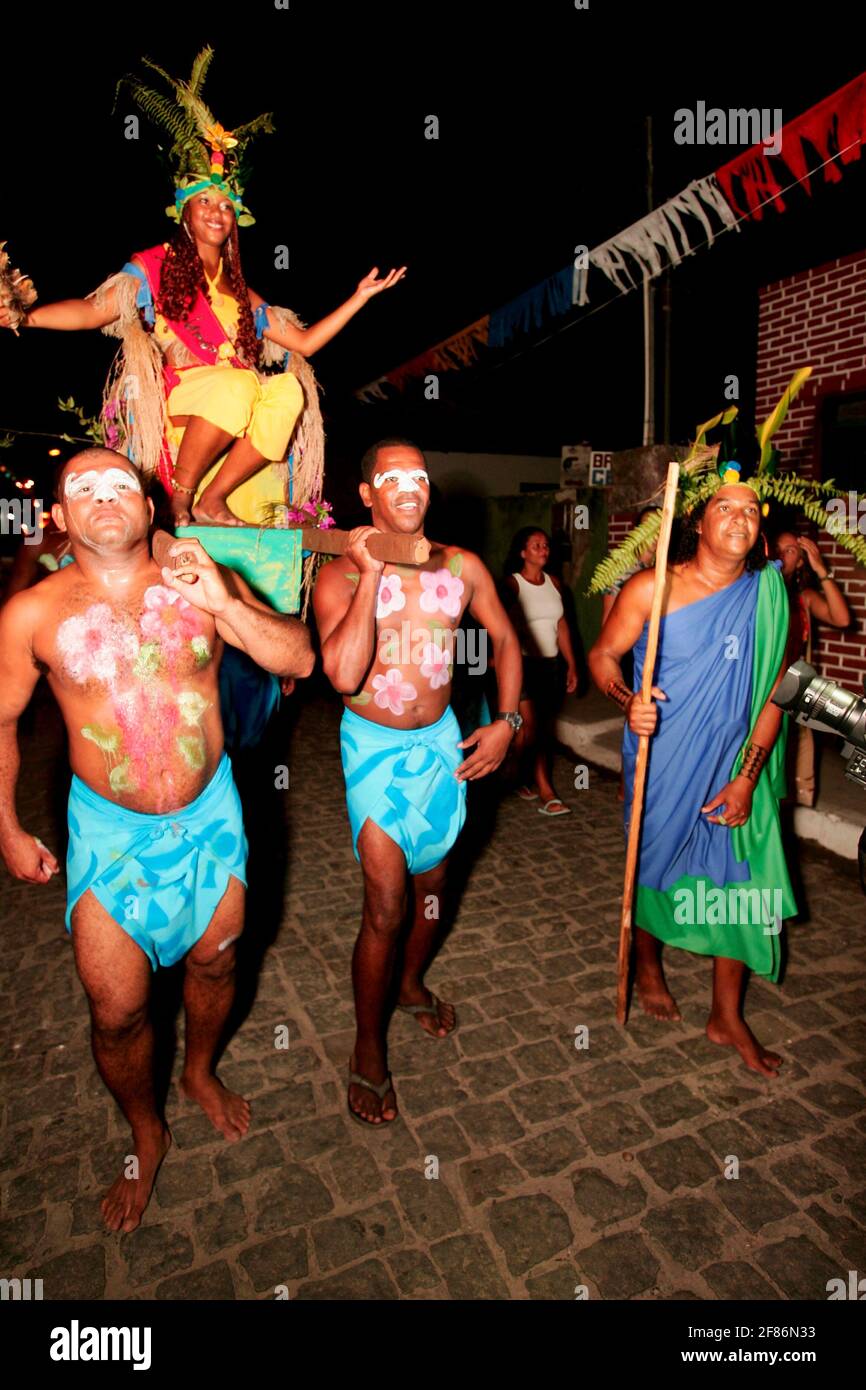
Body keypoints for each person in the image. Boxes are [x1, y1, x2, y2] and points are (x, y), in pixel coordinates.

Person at [0, 448, 314, 1232]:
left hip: (212, 818)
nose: (107, 498)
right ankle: (146, 1132)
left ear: (151, 507)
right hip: (108, 837)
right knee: (117, 1012)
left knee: (217, 960)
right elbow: (1, 721)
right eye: (85, 490)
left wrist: (227, 603)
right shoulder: (31, 614)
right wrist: (5, 827)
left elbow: (300, 657)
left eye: (122, 487)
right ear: (63, 518)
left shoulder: (197, 579)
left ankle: (200, 1073)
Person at [0, 47, 405, 528]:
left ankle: (213, 499)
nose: (216, 211)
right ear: (185, 212)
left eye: (225, 205)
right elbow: (92, 311)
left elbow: (304, 342)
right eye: (204, 201)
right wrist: (27, 316)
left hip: (237, 392)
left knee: (288, 392)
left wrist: (359, 297)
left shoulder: (239, 289)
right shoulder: (152, 266)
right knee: (238, 385)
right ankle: (182, 498)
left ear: (237, 218)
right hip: (185, 393)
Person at [313, 439, 522, 1125]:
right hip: (373, 753)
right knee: (385, 906)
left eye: (419, 476)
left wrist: (507, 722)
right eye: (391, 477)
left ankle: (409, 982)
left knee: (434, 884)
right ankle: (367, 1050)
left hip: (440, 747)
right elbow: (343, 676)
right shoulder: (337, 576)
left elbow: (506, 639)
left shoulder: (460, 566)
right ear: (368, 494)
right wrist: (372, 573)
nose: (409, 486)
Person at [589, 478, 796, 1078]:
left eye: (751, 510)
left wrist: (749, 779)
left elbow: (778, 692)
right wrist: (628, 698)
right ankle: (649, 965)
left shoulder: (769, 594)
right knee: (653, 864)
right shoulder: (653, 588)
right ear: (698, 525)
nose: (740, 518)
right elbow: (604, 656)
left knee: (742, 883)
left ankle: (726, 1015)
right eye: (724, 508)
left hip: (735, 764)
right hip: (663, 761)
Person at [503, 527, 577, 815]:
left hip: (551, 664)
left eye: (546, 545)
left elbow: (561, 626)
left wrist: (572, 664)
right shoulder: (512, 584)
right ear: (522, 553)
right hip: (523, 664)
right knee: (538, 729)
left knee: (528, 733)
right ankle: (546, 791)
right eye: (536, 545)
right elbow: (503, 628)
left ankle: (518, 776)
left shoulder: (555, 584)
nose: (544, 549)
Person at [774, 529, 851, 806]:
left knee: (798, 743)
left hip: (793, 685)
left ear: (802, 561)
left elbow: (841, 619)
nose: (783, 555)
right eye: (779, 548)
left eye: (791, 550)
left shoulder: (803, 597)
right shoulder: (756, 589)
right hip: (762, 684)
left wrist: (823, 571)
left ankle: (797, 802)